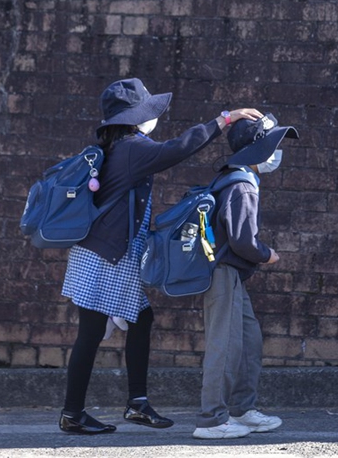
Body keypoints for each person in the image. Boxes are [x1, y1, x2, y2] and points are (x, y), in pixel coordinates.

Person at [58, 77, 262, 434]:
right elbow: (176, 149)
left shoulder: (118, 146)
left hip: (108, 252)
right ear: (135, 117)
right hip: (104, 256)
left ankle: (137, 403)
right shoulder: (131, 148)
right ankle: (73, 414)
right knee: (90, 332)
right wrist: (223, 120)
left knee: (140, 319)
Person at [192, 113, 298, 439]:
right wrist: (267, 254)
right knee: (224, 346)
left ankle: (242, 408)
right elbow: (241, 240)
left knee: (248, 340)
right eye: (273, 145)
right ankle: (212, 419)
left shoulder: (236, 178)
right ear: (259, 148)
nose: (277, 152)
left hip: (231, 275)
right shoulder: (241, 185)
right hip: (223, 273)